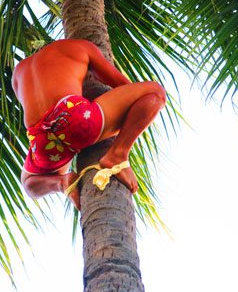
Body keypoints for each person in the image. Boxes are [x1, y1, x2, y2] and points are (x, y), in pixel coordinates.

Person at [12, 39, 166, 210]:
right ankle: (118, 155)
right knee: (155, 93)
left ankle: (61, 183)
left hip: (41, 138)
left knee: (28, 182)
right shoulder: (78, 46)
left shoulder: (19, 71)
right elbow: (121, 84)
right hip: (75, 117)